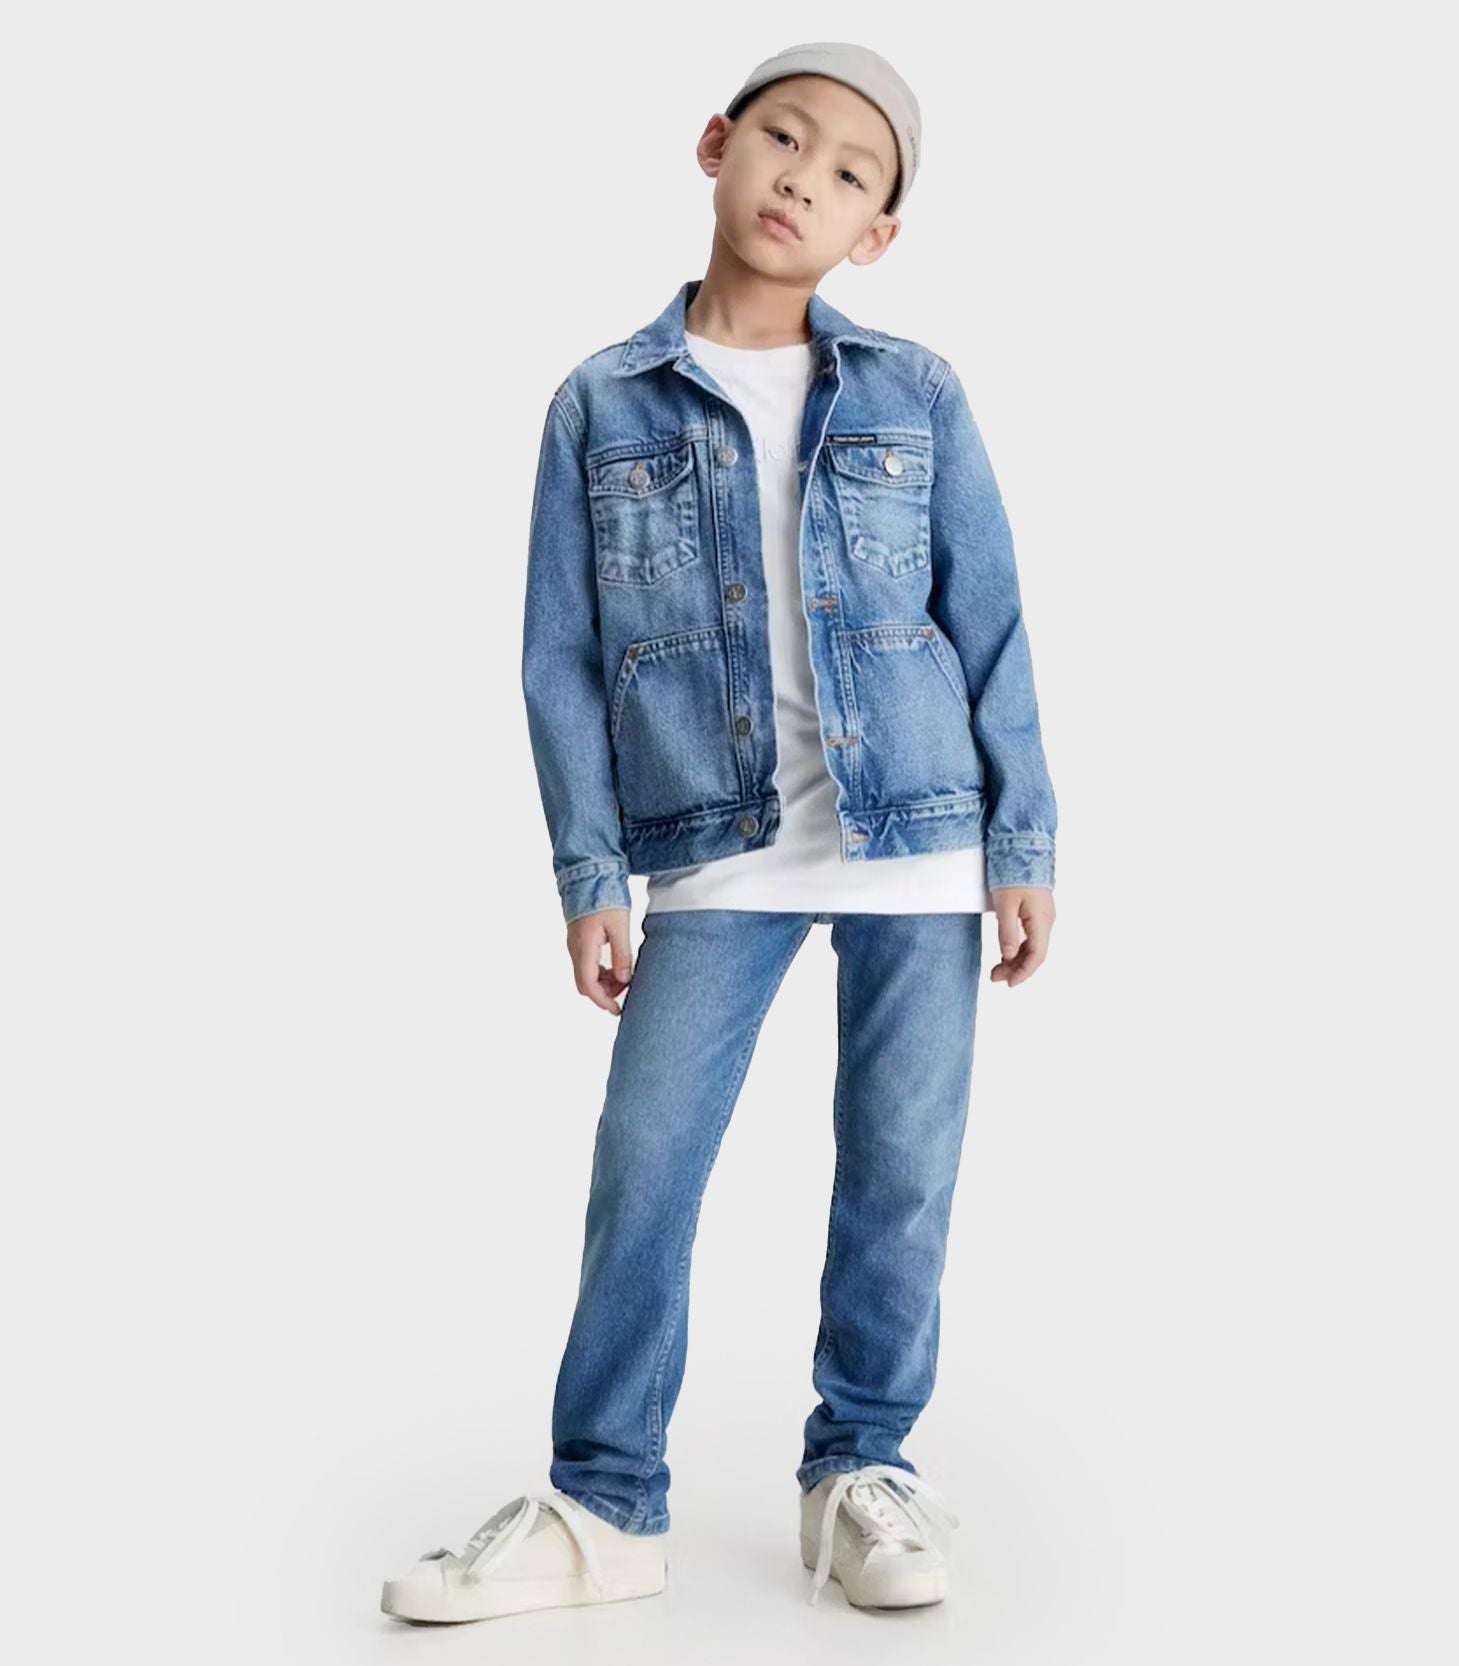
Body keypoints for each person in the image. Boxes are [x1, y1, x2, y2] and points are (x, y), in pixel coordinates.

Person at [381, 39, 1057, 1623]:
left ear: (877, 232)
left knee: (901, 1172)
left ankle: (861, 1469)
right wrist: (589, 868)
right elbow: (558, 654)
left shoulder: (916, 393)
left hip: (921, 831)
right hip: (714, 837)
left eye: (850, 173)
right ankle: (605, 1497)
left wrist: (1024, 841)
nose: (804, 180)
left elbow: (990, 619)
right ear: (716, 143)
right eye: (785, 140)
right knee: (647, 1160)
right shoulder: (600, 400)